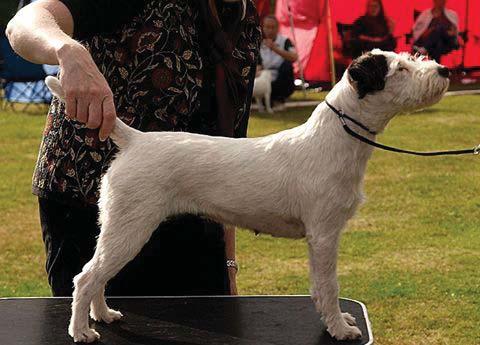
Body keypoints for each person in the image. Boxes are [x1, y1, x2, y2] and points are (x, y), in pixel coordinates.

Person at [6, 0, 261, 297]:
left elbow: (227, 143)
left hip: (194, 209)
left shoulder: (244, 19)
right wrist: (68, 51)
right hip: (94, 197)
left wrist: (228, 263)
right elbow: (26, 22)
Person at [259, 15, 298, 110]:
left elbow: (294, 57)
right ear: (262, 27)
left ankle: (279, 99)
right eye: (267, 27)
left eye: (273, 27)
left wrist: (274, 48)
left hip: (280, 76)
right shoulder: (258, 42)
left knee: (287, 66)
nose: (270, 30)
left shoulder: (285, 41)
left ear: (278, 28)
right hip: (264, 76)